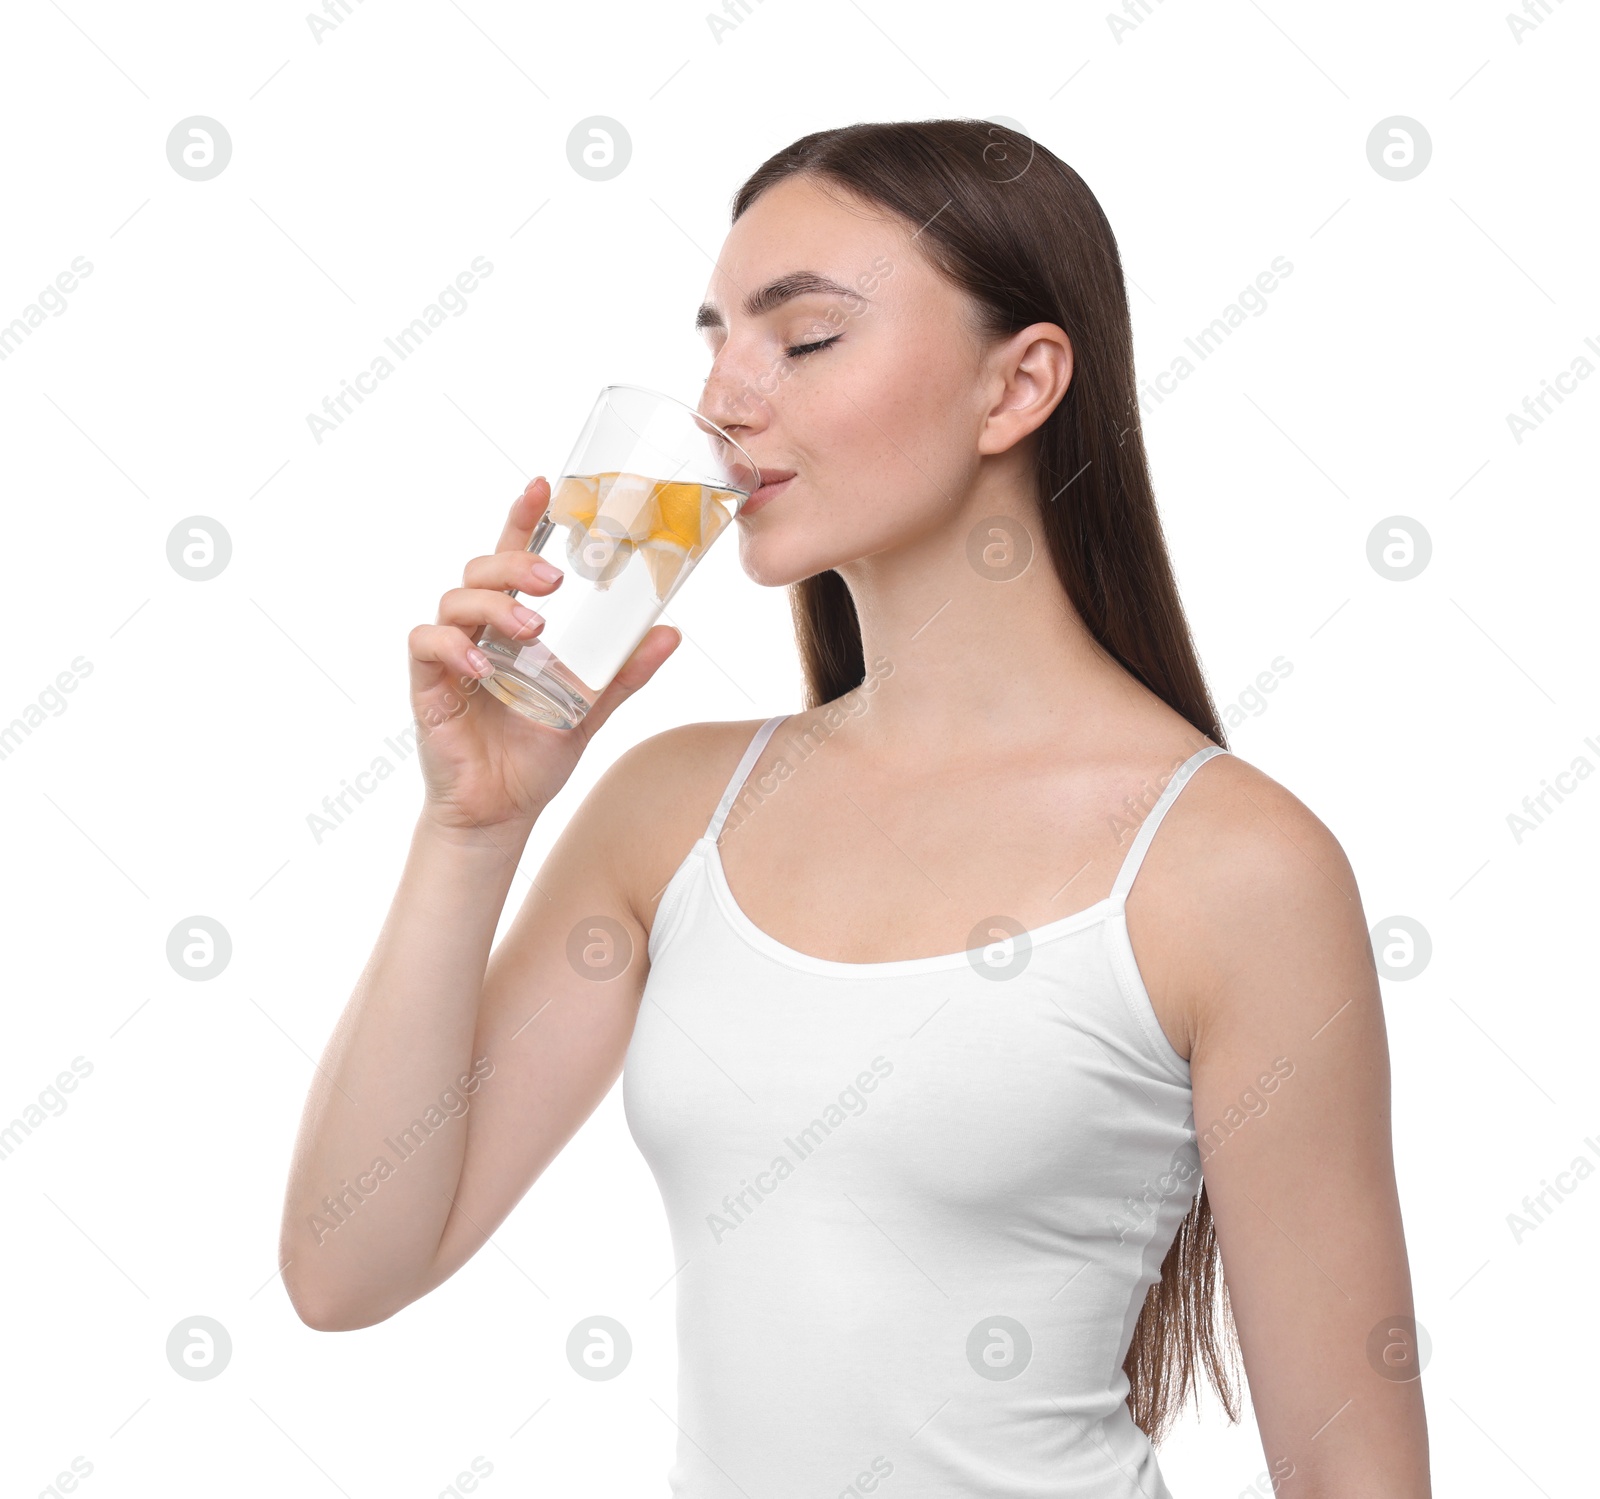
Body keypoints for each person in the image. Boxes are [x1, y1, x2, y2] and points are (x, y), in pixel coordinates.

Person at [280, 119, 1431, 1496]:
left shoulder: (1231, 867)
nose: (723, 399)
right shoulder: (672, 812)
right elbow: (347, 1268)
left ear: (1019, 387)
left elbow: (1356, 1477)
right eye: (718, 339)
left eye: (804, 339)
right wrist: (472, 829)